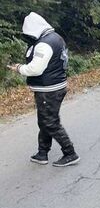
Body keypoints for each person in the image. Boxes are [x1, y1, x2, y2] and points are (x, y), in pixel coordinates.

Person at [7, 12, 80, 167]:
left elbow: (35, 69)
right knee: (45, 121)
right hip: (54, 86)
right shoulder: (55, 37)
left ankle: (70, 152)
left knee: (50, 122)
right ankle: (42, 153)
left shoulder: (44, 43)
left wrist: (19, 68)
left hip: (49, 90)